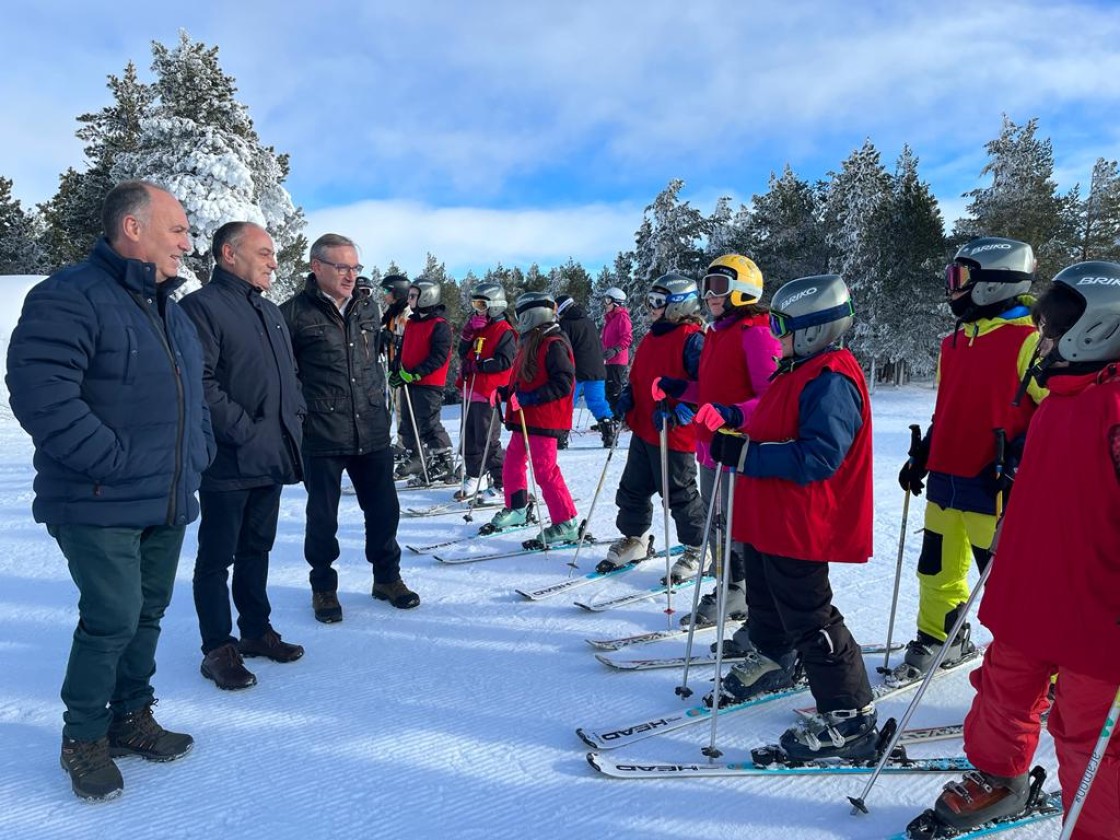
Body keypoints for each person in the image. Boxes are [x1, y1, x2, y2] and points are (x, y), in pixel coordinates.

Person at [6, 180, 214, 800]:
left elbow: (193, 398)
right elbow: (41, 392)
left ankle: (131, 717)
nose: (186, 242)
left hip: (166, 495)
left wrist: (195, 453)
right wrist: (111, 459)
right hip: (97, 497)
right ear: (133, 228)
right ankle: (84, 738)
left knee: (147, 613)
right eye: (176, 229)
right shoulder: (69, 295)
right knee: (111, 617)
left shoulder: (170, 309)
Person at [920, 263, 1120, 838]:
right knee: (1001, 691)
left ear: (1098, 328)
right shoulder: (1057, 397)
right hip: (1031, 589)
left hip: (1098, 612)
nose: (1044, 340)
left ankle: (1095, 826)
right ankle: (996, 778)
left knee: (1090, 732)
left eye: (1054, 328)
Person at [705, 274, 878, 763]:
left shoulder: (832, 378)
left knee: (808, 612)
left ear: (814, 329)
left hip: (802, 521)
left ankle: (849, 715)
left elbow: (820, 456)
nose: (774, 334)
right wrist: (737, 423)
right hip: (769, 516)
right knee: (765, 595)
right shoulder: (796, 368)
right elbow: (773, 421)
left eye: (782, 324)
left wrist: (744, 456)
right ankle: (774, 658)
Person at [895, 237, 1045, 681]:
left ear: (994, 283)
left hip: (995, 488)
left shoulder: (1028, 342)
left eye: (960, 278)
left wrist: (1016, 460)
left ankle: (1037, 667)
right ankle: (941, 637)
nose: (952, 289)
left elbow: (1053, 414)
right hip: (946, 479)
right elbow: (951, 406)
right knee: (935, 568)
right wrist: (925, 452)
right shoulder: (953, 343)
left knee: (1007, 586)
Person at [180, 221, 306, 691]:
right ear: (228, 254)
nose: (274, 260)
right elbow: (201, 381)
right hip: (228, 460)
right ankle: (218, 648)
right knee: (216, 558)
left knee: (258, 548)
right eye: (264, 252)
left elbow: (288, 377)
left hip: (270, 456)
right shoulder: (201, 308)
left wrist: (296, 419)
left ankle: (255, 631)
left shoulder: (271, 311)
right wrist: (244, 430)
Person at [280, 234, 419, 620]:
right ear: (317, 267)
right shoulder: (292, 314)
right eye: (342, 267)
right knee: (323, 518)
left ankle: (387, 578)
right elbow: (285, 375)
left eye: (355, 267)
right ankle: (323, 587)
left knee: (384, 510)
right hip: (322, 432)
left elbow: (372, 359)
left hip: (372, 428)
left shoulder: (368, 308)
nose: (350, 275)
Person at [685, 254, 780, 626]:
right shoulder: (717, 333)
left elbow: (772, 399)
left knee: (737, 527)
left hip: (741, 452)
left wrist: (731, 414)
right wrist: (684, 390)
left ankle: (743, 592)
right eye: (706, 285)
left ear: (743, 290)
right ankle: (729, 585)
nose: (710, 294)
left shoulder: (757, 332)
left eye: (719, 286)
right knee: (716, 525)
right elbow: (714, 389)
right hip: (711, 449)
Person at [600, 273, 708, 582]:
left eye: (659, 302)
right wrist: (628, 398)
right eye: (650, 301)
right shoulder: (651, 336)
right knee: (632, 488)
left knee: (679, 495)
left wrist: (686, 411)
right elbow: (641, 376)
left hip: (673, 433)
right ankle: (636, 540)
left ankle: (698, 548)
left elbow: (708, 384)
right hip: (646, 428)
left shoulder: (692, 339)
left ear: (679, 305)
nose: (651, 307)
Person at [485, 292, 581, 545]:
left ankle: (566, 522)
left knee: (545, 471)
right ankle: (517, 507)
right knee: (512, 463)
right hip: (526, 419)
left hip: (545, 420)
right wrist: (506, 392)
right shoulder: (531, 341)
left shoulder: (554, 343)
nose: (518, 321)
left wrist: (530, 398)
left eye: (521, 315)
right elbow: (523, 381)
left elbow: (564, 383)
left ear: (532, 315)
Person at [454, 281, 515, 502]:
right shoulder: (480, 327)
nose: (478, 309)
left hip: (489, 392)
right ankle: (474, 475)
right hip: (470, 390)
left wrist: (478, 366)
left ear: (495, 305)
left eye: (482, 304)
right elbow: (462, 352)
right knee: (468, 437)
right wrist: (468, 333)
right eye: (475, 304)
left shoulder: (504, 331)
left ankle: (503, 482)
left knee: (487, 439)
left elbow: (505, 361)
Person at [391, 278, 454, 484]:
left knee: (428, 422)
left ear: (426, 296)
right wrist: (396, 369)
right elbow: (403, 349)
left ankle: (444, 460)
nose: (409, 300)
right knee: (407, 422)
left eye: (413, 296)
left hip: (428, 383)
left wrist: (417, 373)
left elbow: (439, 356)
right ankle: (416, 457)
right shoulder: (412, 322)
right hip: (409, 381)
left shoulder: (440, 325)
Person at [379, 273, 412, 462]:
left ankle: (405, 444)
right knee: (396, 407)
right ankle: (401, 443)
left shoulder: (406, 313)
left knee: (403, 408)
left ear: (398, 293)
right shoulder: (392, 312)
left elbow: (410, 340)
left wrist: (394, 339)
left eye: (387, 291)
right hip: (392, 365)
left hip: (404, 369)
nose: (385, 295)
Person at [600, 286, 632, 412]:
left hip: (617, 361)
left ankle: (617, 418)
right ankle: (609, 418)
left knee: (614, 391)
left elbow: (627, 338)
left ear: (616, 303)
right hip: (609, 360)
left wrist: (615, 350)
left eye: (608, 300)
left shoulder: (622, 318)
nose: (605, 304)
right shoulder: (610, 319)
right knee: (607, 390)